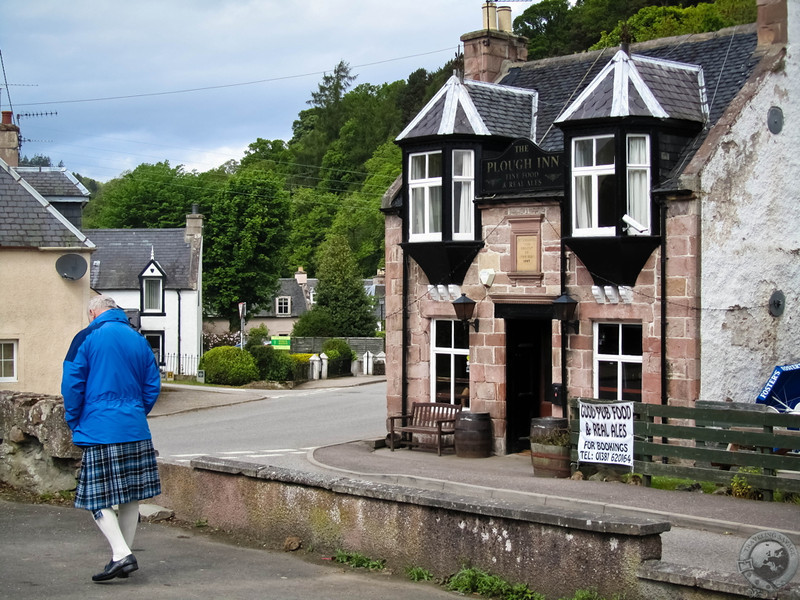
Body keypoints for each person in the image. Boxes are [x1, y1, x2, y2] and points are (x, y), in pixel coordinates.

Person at [61, 294, 161, 582]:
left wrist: (74, 419)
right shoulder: (138, 339)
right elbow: (153, 384)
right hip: (135, 427)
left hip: (101, 428)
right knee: (131, 497)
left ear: (94, 313)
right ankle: (122, 557)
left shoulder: (87, 336)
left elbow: (72, 385)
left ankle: (121, 554)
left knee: (96, 497)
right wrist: (134, 412)